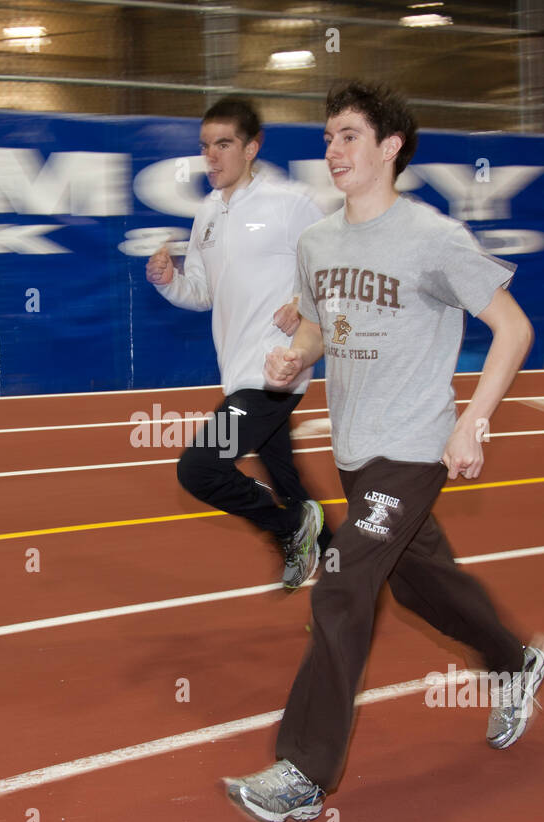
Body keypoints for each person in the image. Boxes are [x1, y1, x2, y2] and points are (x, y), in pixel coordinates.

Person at [223, 81, 544, 822]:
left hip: (413, 448)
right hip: (356, 452)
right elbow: (317, 329)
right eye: (329, 137)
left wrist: (473, 422)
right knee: (418, 584)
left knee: (341, 585)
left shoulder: (431, 238)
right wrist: (291, 360)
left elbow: (514, 327)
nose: (331, 150)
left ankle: (302, 773)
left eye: (347, 136)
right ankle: (513, 661)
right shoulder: (318, 243)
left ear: (390, 147)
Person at [147, 97, 331, 589]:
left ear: (251, 147)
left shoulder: (290, 203)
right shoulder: (206, 212)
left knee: (200, 468)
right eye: (205, 146)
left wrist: (302, 300)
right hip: (239, 372)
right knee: (290, 485)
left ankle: (291, 528)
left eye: (223, 144)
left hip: (276, 371)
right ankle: (344, 571)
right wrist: (169, 281)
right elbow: (203, 293)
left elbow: (333, 269)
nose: (212, 156)